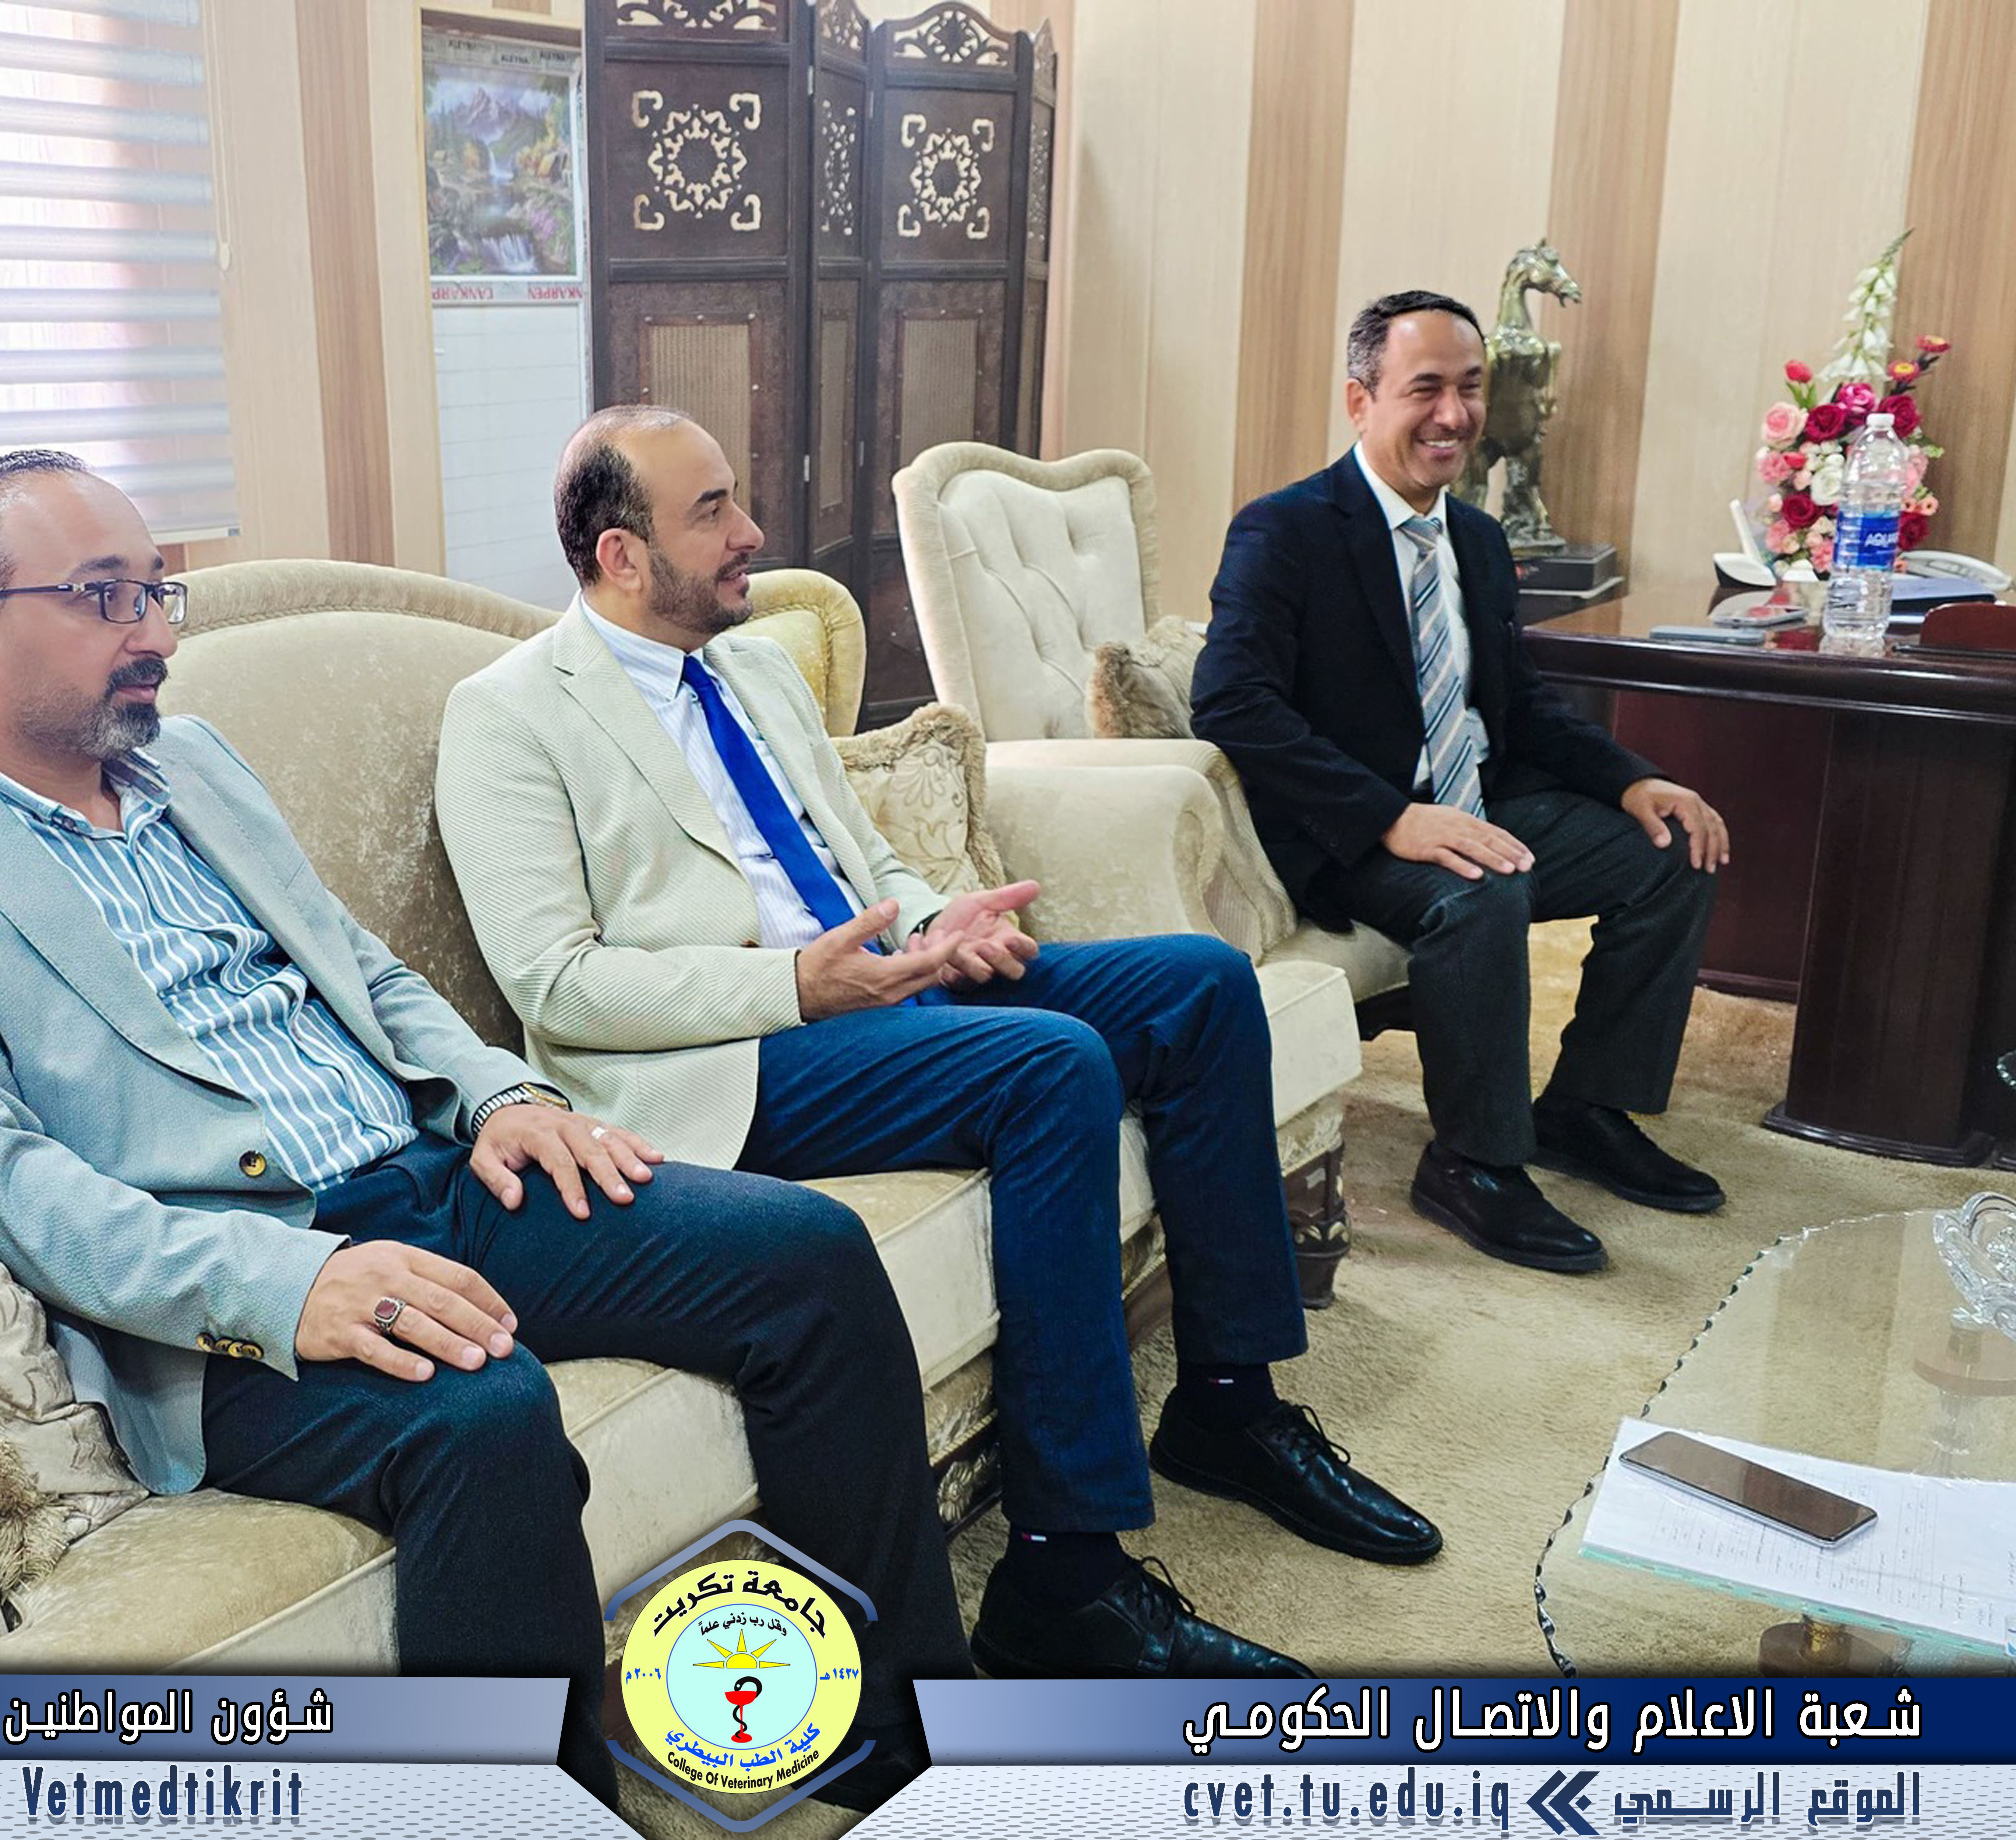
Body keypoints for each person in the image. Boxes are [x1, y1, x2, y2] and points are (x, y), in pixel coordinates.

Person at [0, 450, 974, 1808]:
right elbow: (9, 1184)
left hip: (429, 1180)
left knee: (805, 1256)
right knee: (481, 1413)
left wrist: (502, 1096)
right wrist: (294, 1284)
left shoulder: (189, 763)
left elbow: (367, 975)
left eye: (158, 590)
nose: (153, 633)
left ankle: (900, 1741)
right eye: (105, 597)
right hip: (222, 1296)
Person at [437, 407, 1442, 1686]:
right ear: (622, 555)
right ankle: (1063, 1576)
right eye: (713, 512)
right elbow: (558, 985)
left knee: (1196, 988)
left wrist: (933, 924)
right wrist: (796, 985)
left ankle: (1227, 1409)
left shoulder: (752, 670)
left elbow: (863, 861)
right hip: (729, 1059)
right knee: (1049, 1067)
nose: (752, 532)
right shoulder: (509, 712)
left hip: (873, 993)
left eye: (737, 498)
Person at [1192, 290, 1731, 1277]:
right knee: (1480, 891)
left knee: (1672, 851)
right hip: (1349, 832)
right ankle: (1472, 1162)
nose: (1454, 415)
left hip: (1474, 799)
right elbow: (1231, 702)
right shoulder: (1284, 530)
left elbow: (1518, 703)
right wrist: (1389, 818)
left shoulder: (1476, 540)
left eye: (1471, 388)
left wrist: (1633, 783)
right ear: (1360, 401)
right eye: (1425, 389)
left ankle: (1584, 1108)